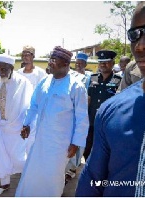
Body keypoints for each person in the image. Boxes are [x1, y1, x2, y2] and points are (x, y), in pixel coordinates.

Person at [76, 2, 145, 196]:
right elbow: (93, 179)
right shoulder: (112, 111)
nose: (141, 44)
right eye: (134, 34)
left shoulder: (117, 80)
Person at [15, 46, 89, 197]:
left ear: (66, 64)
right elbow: (34, 105)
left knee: (52, 179)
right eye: (50, 59)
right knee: (33, 174)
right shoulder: (44, 82)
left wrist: (76, 143)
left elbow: (82, 118)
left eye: (54, 60)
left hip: (60, 145)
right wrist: (26, 124)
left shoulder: (76, 87)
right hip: (40, 140)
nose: (50, 62)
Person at [0, 54, 33, 197]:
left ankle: (29, 183)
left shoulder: (23, 83)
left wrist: (25, 125)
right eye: (0, 69)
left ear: (12, 68)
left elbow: (28, 106)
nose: (2, 72)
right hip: (2, 128)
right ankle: (4, 185)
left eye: (5, 69)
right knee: (1, 157)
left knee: (19, 158)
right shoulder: (0, 82)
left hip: (17, 129)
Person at [83, 49, 122, 161]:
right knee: (87, 150)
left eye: (106, 62)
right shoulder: (93, 78)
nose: (103, 65)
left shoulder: (118, 80)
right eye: (101, 62)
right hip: (91, 122)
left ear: (113, 63)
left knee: (105, 152)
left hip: (108, 122)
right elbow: (88, 99)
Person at [65, 52, 91, 184]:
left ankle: (73, 169)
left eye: (82, 64)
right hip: (70, 115)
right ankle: (68, 167)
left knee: (79, 141)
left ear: (86, 64)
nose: (79, 65)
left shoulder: (90, 77)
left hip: (83, 114)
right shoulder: (70, 76)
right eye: (77, 63)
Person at [17, 45, 47, 154]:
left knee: (33, 140)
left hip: (36, 111)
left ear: (33, 56)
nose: (25, 57)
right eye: (23, 55)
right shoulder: (18, 73)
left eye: (27, 55)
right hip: (21, 110)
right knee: (21, 138)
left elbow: (44, 93)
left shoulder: (41, 73)